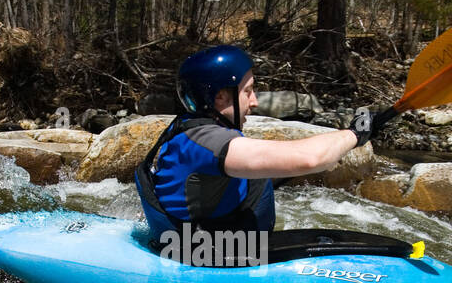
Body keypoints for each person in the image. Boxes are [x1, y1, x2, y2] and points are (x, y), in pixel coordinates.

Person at [134, 45, 396, 253]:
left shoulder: (189, 129)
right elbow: (311, 159)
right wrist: (355, 134)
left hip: (206, 242)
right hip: (205, 257)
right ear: (220, 97)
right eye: (248, 91)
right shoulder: (206, 142)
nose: (255, 101)